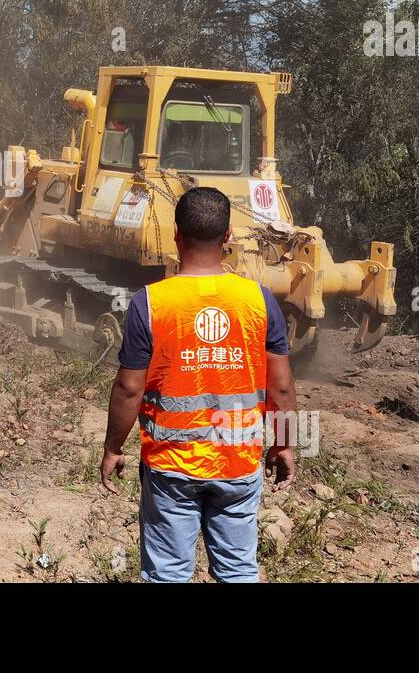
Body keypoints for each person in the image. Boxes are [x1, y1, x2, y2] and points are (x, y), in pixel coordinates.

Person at [100, 186, 296, 582]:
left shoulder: (150, 302)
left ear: (175, 233)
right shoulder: (259, 299)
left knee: (168, 573)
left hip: (171, 467)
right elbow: (281, 389)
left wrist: (112, 447)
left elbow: (128, 389)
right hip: (237, 463)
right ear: (227, 237)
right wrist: (285, 443)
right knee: (238, 570)